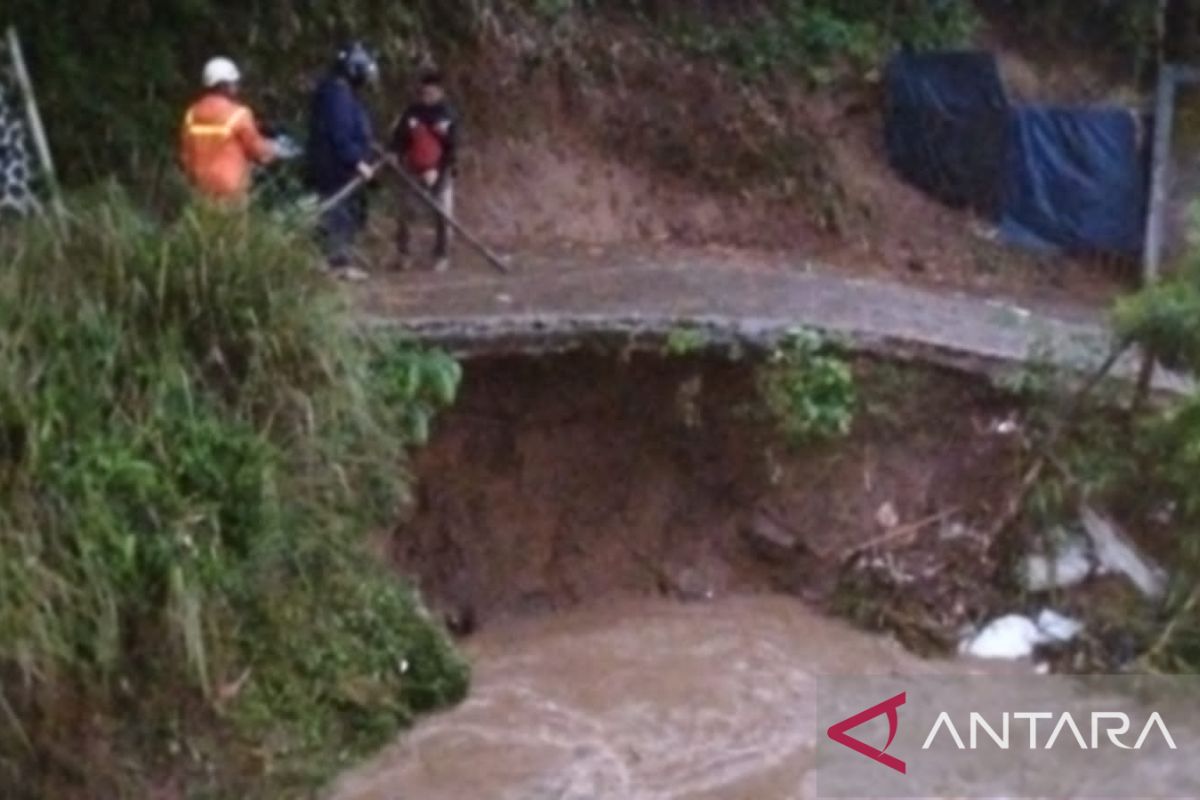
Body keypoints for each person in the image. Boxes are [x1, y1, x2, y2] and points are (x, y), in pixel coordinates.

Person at [306, 42, 379, 280]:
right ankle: (337, 264)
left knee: (342, 213)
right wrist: (357, 161)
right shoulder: (337, 95)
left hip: (335, 165)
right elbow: (340, 133)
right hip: (335, 168)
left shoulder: (337, 91)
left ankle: (335, 261)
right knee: (338, 214)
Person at [179, 57, 279, 203]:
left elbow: (186, 155)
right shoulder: (239, 114)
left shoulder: (192, 114)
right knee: (232, 225)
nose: (236, 87)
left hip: (200, 188)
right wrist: (274, 149)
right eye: (234, 83)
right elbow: (257, 150)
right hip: (230, 190)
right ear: (225, 85)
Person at [390, 70, 459, 272]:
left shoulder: (448, 114)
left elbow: (453, 147)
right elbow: (399, 138)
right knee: (406, 211)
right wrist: (395, 153)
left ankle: (442, 254)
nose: (427, 96)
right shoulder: (411, 113)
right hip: (412, 168)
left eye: (431, 92)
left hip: (440, 169)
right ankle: (404, 253)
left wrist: (438, 170)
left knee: (442, 213)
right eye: (424, 92)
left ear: (440, 92)